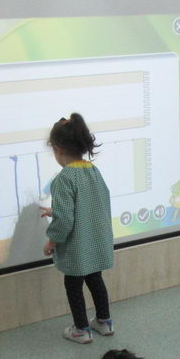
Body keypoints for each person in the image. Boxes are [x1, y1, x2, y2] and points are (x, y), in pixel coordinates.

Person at [39, 114, 115, 345]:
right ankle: (104, 321)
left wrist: (51, 240)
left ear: (57, 148)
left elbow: (65, 221)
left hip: (77, 246)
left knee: (73, 285)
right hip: (96, 242)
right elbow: (89, 205)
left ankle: (81, 329)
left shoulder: (64, 178)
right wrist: (56, 210)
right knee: (95, 279)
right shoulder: (92, 171)